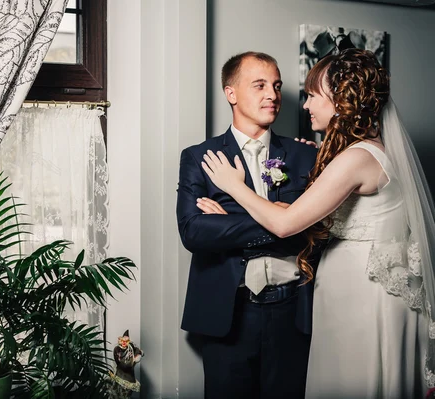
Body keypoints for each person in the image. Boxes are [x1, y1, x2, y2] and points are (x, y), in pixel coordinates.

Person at [198, 48, 434, 398]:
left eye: (311, 96)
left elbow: (286, 223)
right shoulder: (362, 152)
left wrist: (234, 187)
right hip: (349, 295)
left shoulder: (356, 158)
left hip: (362, 300)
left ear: (340, 100)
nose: (304, 105)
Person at [176, 51, 319, 399]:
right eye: (259, 85)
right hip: (228, 312)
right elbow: (194, 233)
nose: (272, 94)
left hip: (293, 312)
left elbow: (316, 230)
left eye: (277, 86)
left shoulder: (306, 155)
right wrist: (282, 218)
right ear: (231, 94)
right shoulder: (201, 157)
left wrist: (229, 222)